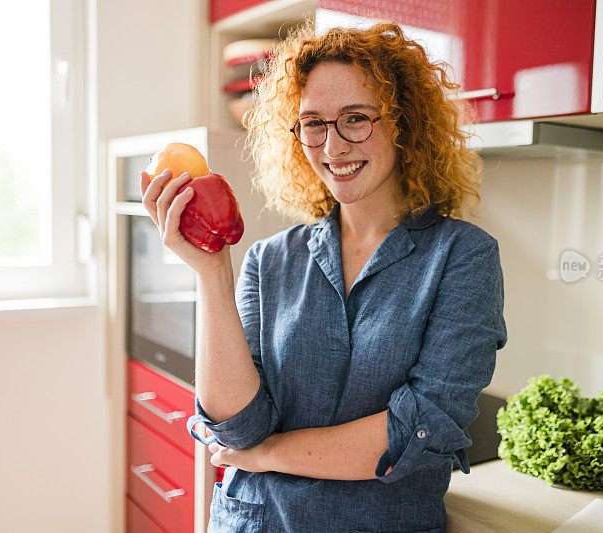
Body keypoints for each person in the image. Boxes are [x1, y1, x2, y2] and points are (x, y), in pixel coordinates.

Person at [141, 19, 507, 533]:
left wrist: (267, 456)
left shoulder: (461, 256)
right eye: (313, 123)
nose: (332, 147)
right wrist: (210, 272)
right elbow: (235, 426)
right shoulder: (269, 259)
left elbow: (418, 430)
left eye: (355, 118)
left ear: (406, 123)